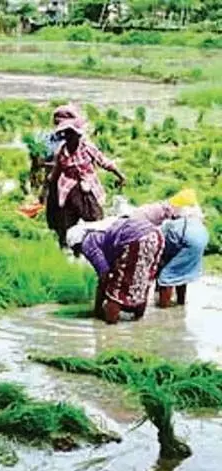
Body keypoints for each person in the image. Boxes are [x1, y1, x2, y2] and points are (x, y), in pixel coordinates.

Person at [67, 217, 164, 324]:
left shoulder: (88, 242)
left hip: (137, 238)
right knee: (143, 282)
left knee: (115, 290)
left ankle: (110, 329)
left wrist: (98, 308)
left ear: (77, 244)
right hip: (157, 236)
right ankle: (138, 323)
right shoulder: (101, 229)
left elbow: (105, 274)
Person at [48, 118, 126, 248]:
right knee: (67, 225)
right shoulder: (62, 152)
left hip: (88, 189)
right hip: (68, 191)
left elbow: (103, 161)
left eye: (70, 134)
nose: (68, 138)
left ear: (77, 134)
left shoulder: (86, 147)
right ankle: (70, 250)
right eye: (66, 134)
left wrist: (120, 175)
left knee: (96, 221)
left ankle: (100, 247)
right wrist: (47, 189)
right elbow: (56, 173)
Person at [157, 194, 209, 308]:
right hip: (202, 236)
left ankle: (163, 308)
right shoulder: (193, 219)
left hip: (188, 240)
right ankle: (181, 303)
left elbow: (163, 246)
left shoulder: (169, 225)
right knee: (182, 272)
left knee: (166, 277)